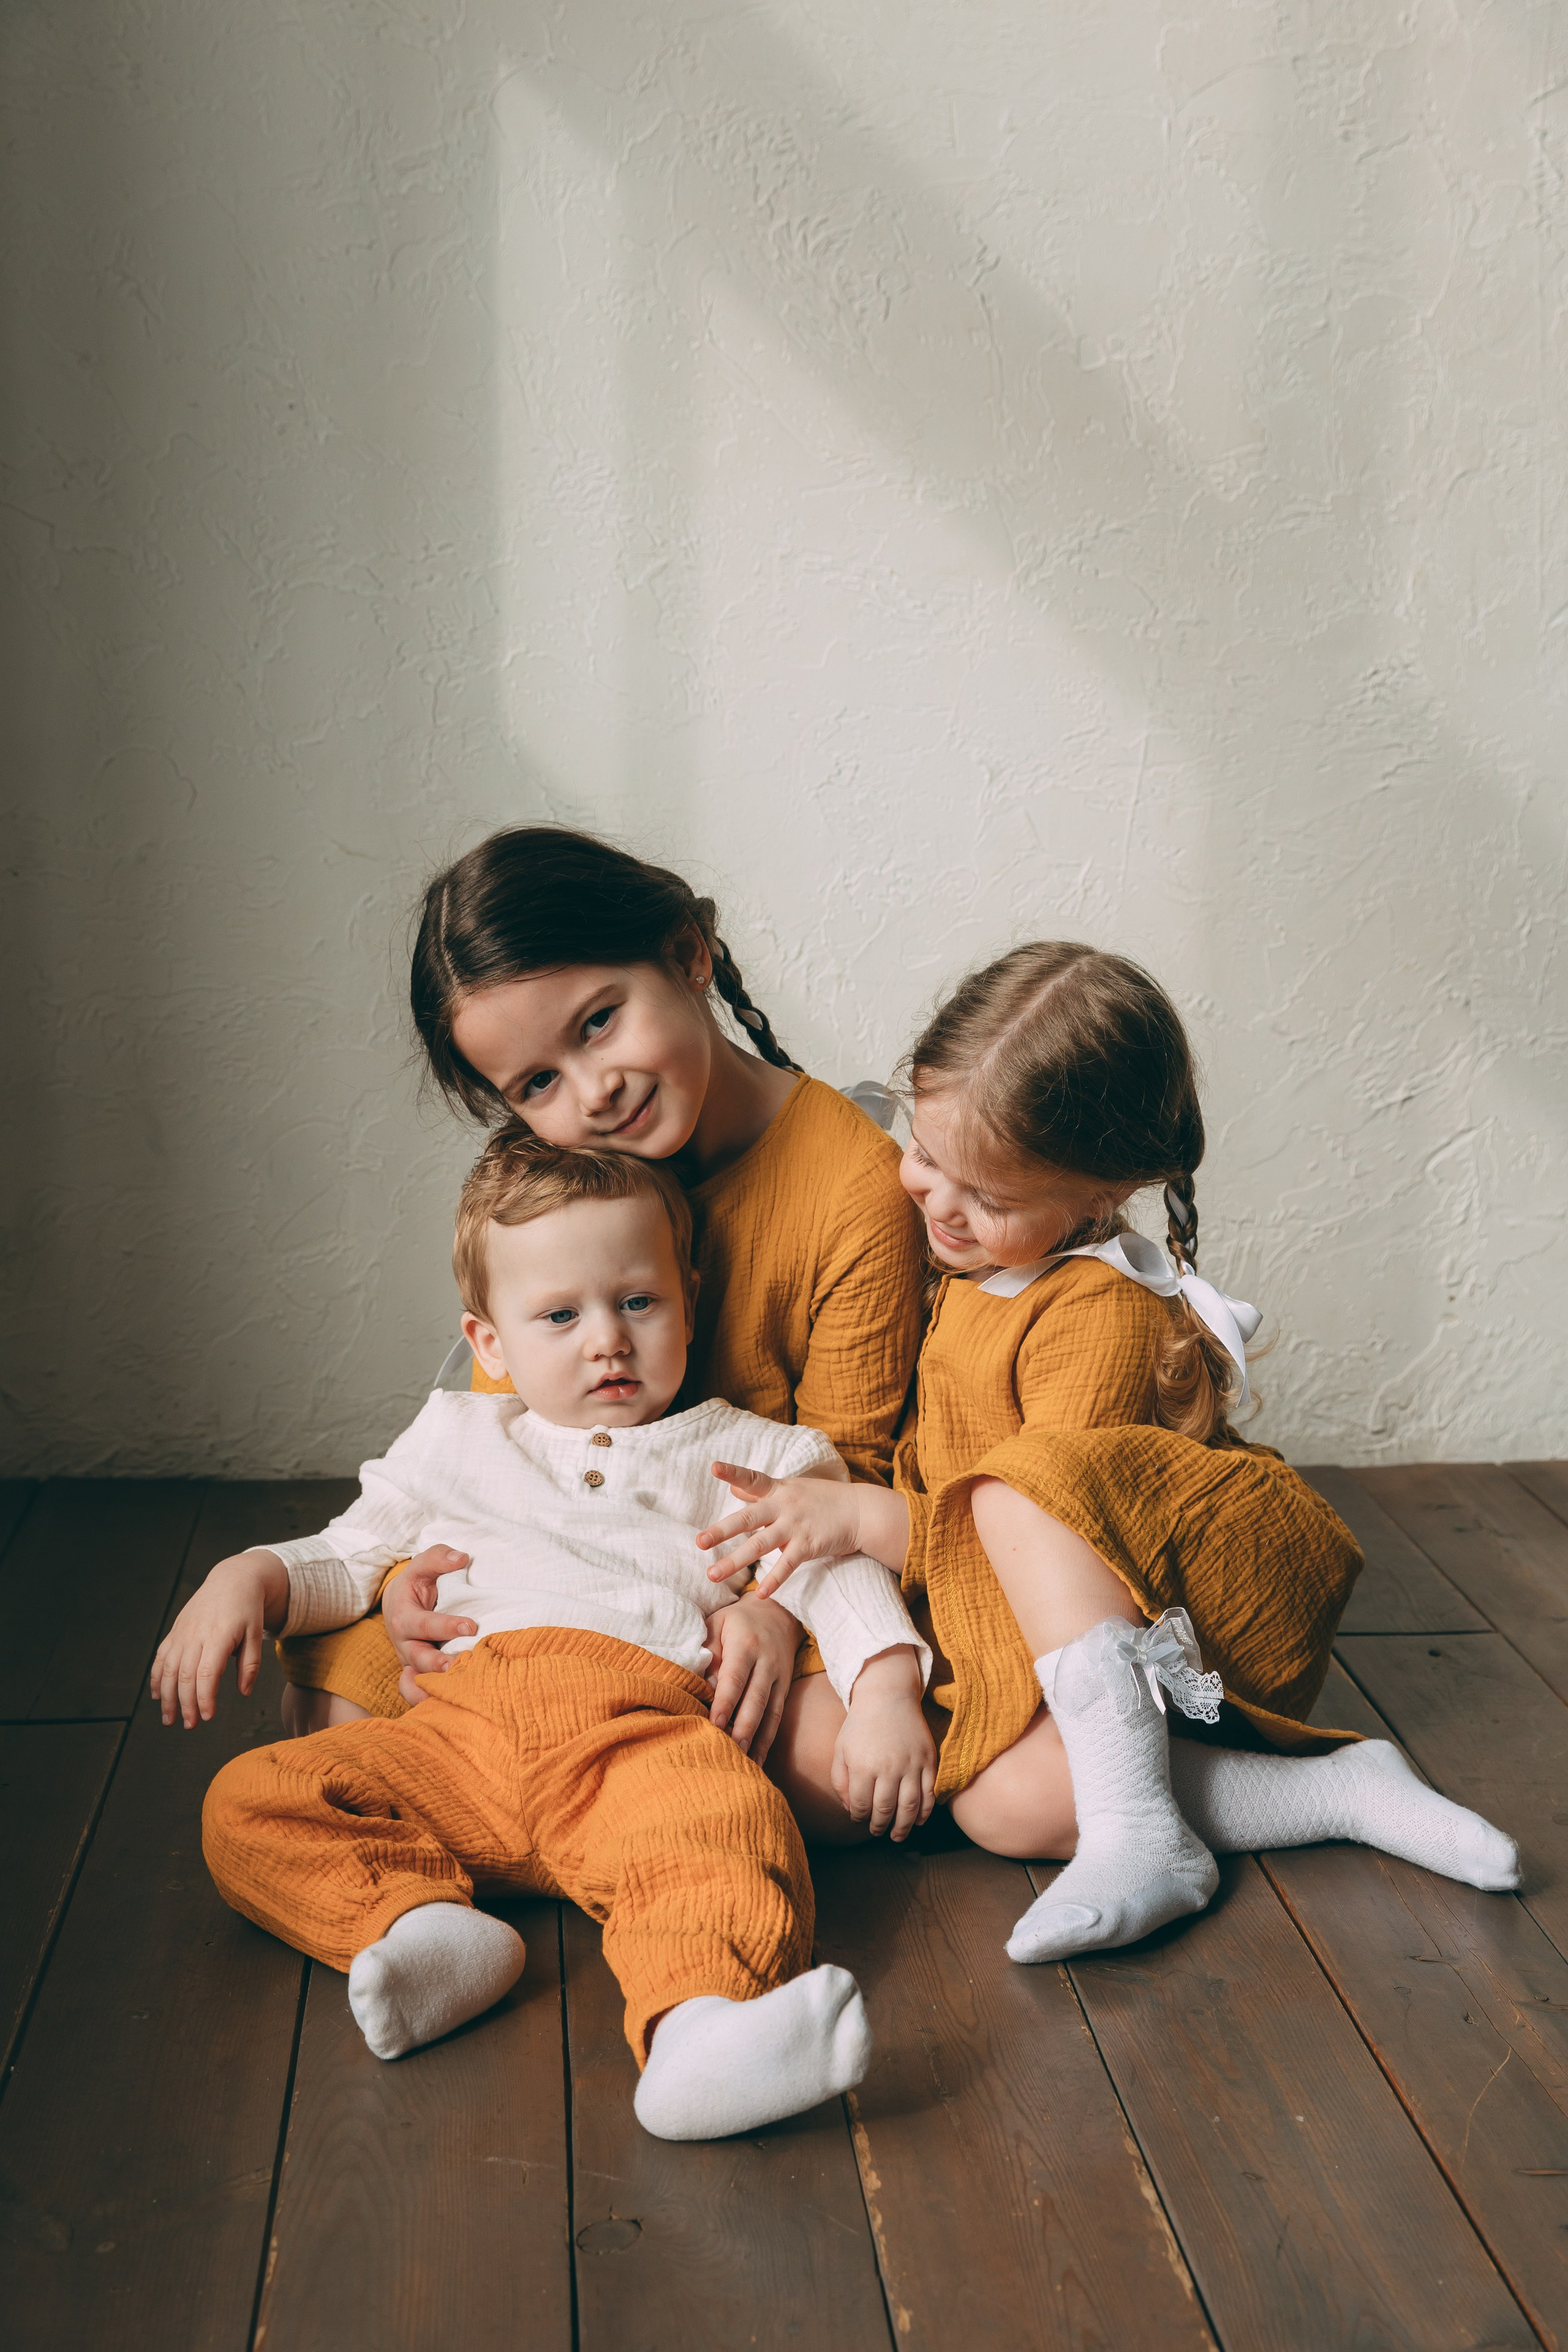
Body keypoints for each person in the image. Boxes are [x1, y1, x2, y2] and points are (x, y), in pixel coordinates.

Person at [695, 943, 1521, 1959]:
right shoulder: (961, 1258)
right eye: (926, 1157)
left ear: (1099, 1196)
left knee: (1014, 1510)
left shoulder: (1095, 1315)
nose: (939, 1204)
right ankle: (1327, 1791)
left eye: (987, 1196)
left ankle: (1138, 1827)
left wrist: (862, 1520)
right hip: (980, 1614)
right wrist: (881, 1683)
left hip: (1144, 1620)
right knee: (880, 1779)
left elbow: (1049, 1529)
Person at [153, 1139, 933, 2140]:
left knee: (724, 1833)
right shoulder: (460, 1439)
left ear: (689, 1300)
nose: (606, 1340)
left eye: (638, 1303)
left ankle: (700, 2032)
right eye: (560, 1317)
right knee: (254, 1798)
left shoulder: (751, 1454)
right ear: (490, 1343)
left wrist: (886, 1694)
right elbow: (349, 1555)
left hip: (637, 1737)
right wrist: (245, 1578)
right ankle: (424, 1931)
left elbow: (832, 1566)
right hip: (460, 1740)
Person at [277, 824, 925, 1817]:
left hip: (731, 1571)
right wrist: (419, 1584)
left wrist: (772, 1619)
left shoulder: (850, 1187)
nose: (594, 1093)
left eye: (598, 1024)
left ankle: (529, 1801)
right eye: (537, 1084)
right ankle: (568, 1801)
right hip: (558, 1577)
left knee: (844, 1765)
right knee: (328, 1696)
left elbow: (851, 1469)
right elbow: (507, 1439)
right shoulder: (559, 1179)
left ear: (685, 956)